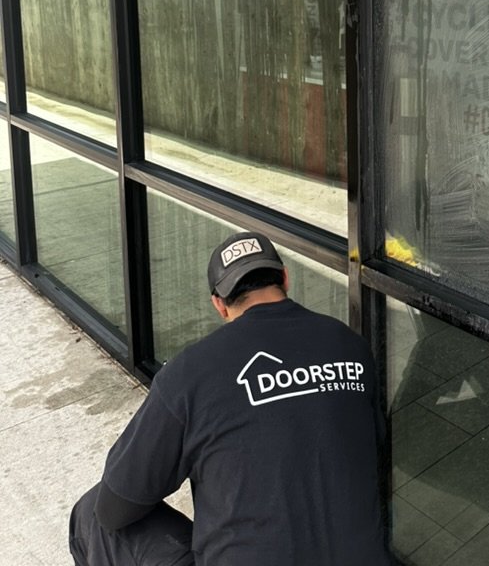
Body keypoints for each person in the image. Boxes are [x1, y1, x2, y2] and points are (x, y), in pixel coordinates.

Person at [69, 231, 393, 566]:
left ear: (219, 305)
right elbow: (373, 449)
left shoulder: (190, 373)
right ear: (284, 279)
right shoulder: (350, 344)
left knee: (91, 515)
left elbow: (114, 506)